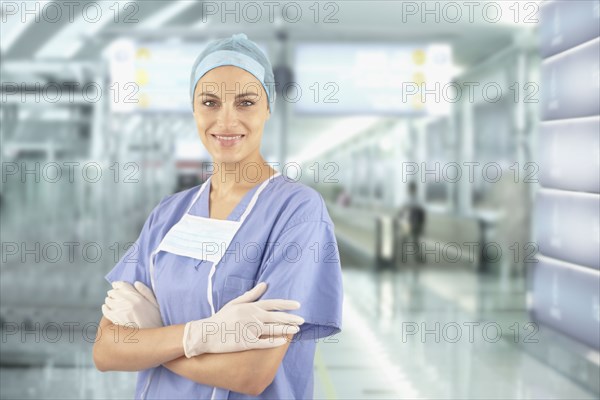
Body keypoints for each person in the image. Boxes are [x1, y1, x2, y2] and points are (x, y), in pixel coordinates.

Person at [93, 33, 344, 400]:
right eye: (209, 102)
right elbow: (106, 349)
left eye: (245, 102)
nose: (226, 121)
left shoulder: (298, 213)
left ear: (268, 108)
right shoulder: (168, 214)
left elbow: (250, 373)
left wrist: (156, 338)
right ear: (194, 108)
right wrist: (203, 335)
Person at [395, 181, 426, 265]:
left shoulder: (413, 200)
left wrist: (421, 224)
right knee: (407, 241)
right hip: (408, 222)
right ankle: (405, 256)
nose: (411, 190)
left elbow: (421, 213)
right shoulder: (410, 199)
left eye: (412, 188)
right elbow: (402, 212)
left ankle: (415, 257)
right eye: (411, 188)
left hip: (412, 222)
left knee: (414, 241)